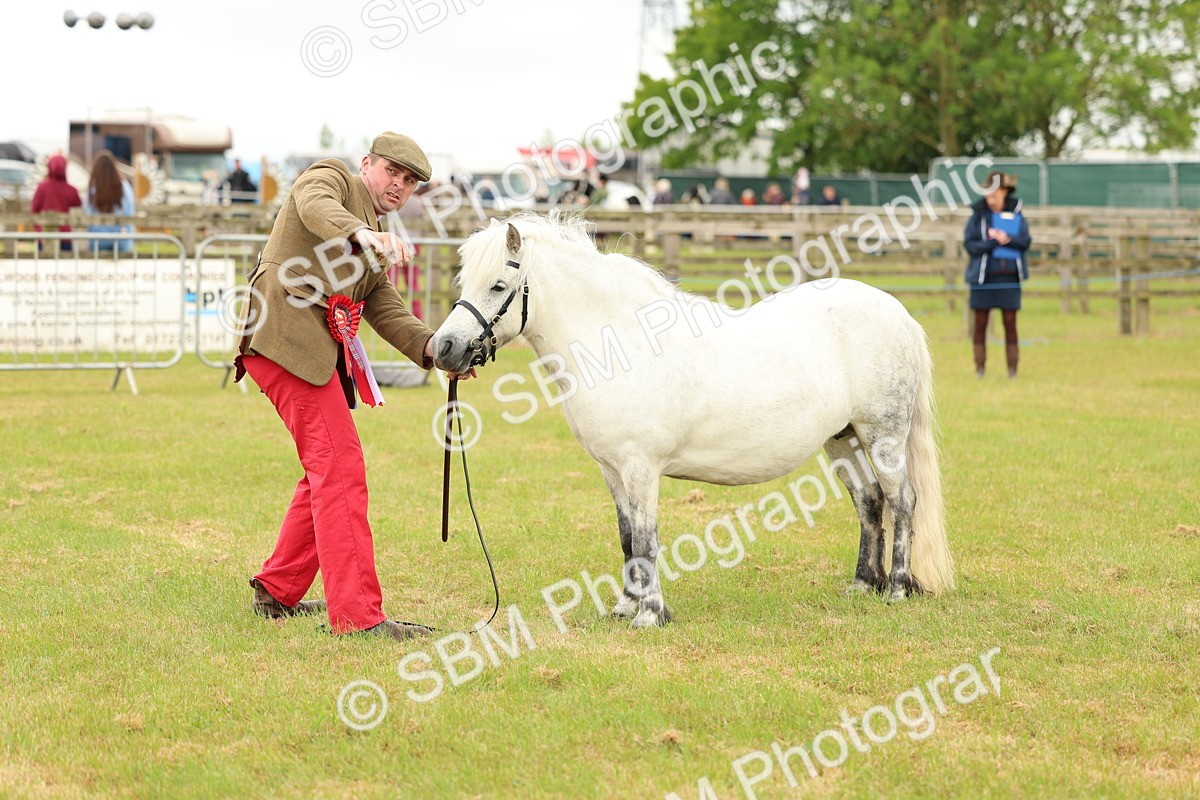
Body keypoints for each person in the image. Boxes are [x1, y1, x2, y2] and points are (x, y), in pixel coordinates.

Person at [233, 132, 475, 642]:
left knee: (325, 471)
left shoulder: (378, 235)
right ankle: (358, 617)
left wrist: (435, 350)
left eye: (409, 181)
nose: (400, 185)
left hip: (304, 353)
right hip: (284, 339)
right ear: (368, 164)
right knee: (340, 471)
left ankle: (277, 589)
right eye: (393, 172)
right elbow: (313, 202)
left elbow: (385, 307)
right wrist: (361, 234)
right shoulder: (332, 179)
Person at [963, 171, 1031, 378]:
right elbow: (970, 245)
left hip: (1009, 278)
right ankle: (980, 369)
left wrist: (1007, 238)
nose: (989, 199)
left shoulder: (1017, 215)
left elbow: (1025, 242)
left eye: (993, 194)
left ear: (1003, 192)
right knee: (980, 323)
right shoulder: (977, 217)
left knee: (1010, 323)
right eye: (987, 194)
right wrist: (993, 242)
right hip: (983, 278)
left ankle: (1012, 370)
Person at [83, 151, 135, 254]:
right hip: (120, 239)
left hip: (97, 240)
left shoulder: (93, 188)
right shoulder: (124, 186)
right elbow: (130, 212)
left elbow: (87, 213)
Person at [31, 154, 82, 251]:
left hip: (44, 234)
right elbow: (79, 210)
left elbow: (34, 210)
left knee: (44, 265)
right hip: (65, 236)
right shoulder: (72, 191)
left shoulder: (41, 188)